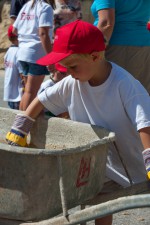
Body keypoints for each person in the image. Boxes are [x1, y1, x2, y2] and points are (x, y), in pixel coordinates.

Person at [5, 20, 150, 225]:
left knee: (107, 202)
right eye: (65, 68)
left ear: (94, 56)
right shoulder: (73, 82)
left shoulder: (124, 84)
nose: (69, 73)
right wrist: (21, 126)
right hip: (99, 162)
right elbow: (41, 100)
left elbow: (144, 122)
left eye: (72, 66)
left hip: (131, 163)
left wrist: (149, 158)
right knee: (97, 204)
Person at [90, 0, 150, 93]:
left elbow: (106, 24)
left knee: (112, 96)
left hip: (115, 47)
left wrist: (91, 52)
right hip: (145, 46)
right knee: (141, 96)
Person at [12, 0, 54, 110]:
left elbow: (14, 30)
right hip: (36, 54)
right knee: (31, 92)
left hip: (22, 53)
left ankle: (20, 119)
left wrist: (26, 35)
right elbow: (43, 33)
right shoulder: (45, 7)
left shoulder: (27, 5)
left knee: (27, 91)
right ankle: (22, 124)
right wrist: (51, 58)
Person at [3, 25, 23, 110]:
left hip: (10, 93)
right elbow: (22, 75)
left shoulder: (9, 51)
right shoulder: (19, 52)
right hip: (17, 95)